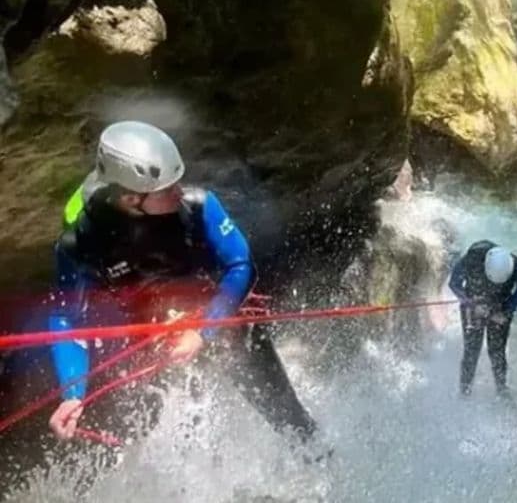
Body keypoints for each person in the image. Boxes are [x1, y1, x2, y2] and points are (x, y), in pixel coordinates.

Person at [44, 121, 318, 447]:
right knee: (173, 425)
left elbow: (240, 265)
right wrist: (72, 393)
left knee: (268, 385)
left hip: (210, 302)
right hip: (145, 321)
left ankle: (308, 445)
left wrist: (203, 330)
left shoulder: (198, 206)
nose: (180, 191)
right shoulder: (81, 243)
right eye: (167, 190)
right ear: (132, 199)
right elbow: (67, 318)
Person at [448, 240, 517, 397]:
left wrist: (506, 310)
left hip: (501, 304)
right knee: (472, 350)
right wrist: (472, 305)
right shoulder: (471, 259)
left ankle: (501, 389)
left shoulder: (515, 264)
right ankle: (464, 392)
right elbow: (454, 284)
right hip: (474, 302)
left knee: (497, 350)